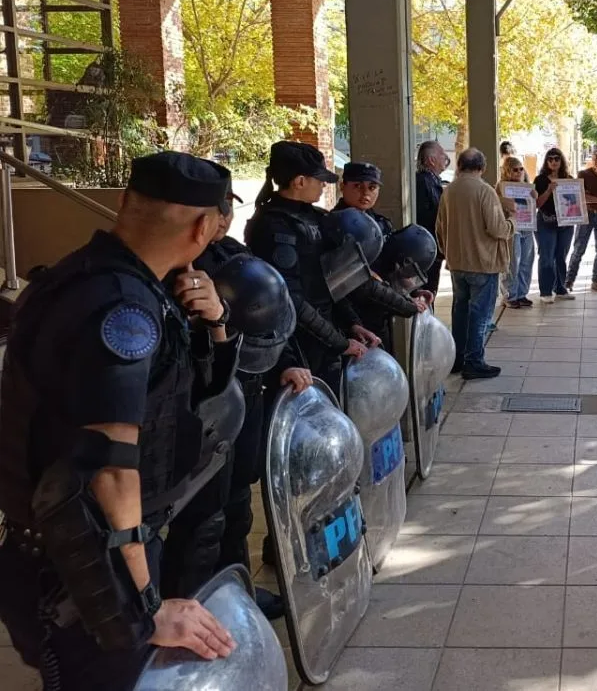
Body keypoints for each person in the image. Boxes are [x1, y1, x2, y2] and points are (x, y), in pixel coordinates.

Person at [0, 152, 240, 689]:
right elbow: (108, 466)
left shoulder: (88, 279)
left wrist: (216, 326)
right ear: (204, 227)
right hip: (86, 572)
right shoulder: (122, 310)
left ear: (124, 203)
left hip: (67, 555)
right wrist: (145, 605)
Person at [160, 183, 309, 618]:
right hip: (199, 409)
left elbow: (273, 316)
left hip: (245, 391)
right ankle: (196, 602)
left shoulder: (230, 253)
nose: (223, 221)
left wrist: (287, 362)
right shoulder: (173, 270)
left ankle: (235, 588)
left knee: (237, 501)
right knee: (202, 517)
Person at [245, 141, 378, 388]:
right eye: (318, 179)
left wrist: (351, 324)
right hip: (298, 345)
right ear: (300, 182)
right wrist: (339, 341)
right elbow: (290, 299)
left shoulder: (313, 218)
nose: (323, 185)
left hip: (324, 337)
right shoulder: (274, 226)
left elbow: (331, 282)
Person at [436, 147, 518, 378]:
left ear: (460, 165)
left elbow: (439, 227)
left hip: (457, 262)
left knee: (459, 312)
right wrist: (512, 221)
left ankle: (457, 358)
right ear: (482, 168)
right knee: (480, 314)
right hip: (483, 263)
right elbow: (497, 229)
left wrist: (448, 252)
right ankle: (474, 361)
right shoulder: (485, 191)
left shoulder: (448, 191)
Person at [332, 161, 431, 340]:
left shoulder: (381, 224)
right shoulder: (335, 225)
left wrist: (412, 291)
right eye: (357, 186)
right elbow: (353, 282)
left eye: (372, 187)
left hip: (381, 314)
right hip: (350, 320)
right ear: (342, 186)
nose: (365, 193)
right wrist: (406, 303)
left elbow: (392, 269)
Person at [565, 148, 597, 293]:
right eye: (596, 158)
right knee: (578, 249)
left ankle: (596, 280)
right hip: (586, 214)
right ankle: (569, 280)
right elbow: (581, 196)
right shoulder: (583, 174)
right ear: (592, 159)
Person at [532, 147, 577, 303]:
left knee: (561, 256)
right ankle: (545, 291)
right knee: (546, 256)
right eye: (550, 159)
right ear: (546, 161)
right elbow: (537, 204)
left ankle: (560, 288)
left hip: (566, 223)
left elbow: (576, 201)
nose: (553, 162)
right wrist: (549, 191)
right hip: (546, 221)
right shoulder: (540, 180)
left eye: (556, 158)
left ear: (561, 161)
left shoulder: (569, 178)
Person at [497, 156, 535, 308]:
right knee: (513, 262)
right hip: (513, 228)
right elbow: (496, 204)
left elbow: (532, 207)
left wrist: (534, 198)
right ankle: (510, 295)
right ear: (507, 171)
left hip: (527, 227)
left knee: (526, 261)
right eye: (515, 169)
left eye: (521, 169)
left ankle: (521, 293)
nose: (519, 172)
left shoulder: (527, 186)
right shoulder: (501, 186)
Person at [415, 140, 448, 301]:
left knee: (431, 289)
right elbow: (429, 216)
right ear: (431, 160)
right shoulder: (423, 182)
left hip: (433, 247)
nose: (445, 160)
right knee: (427, 291)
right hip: (426, 247)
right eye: (442, 156)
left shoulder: (433, 181)